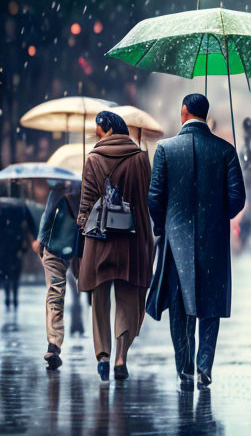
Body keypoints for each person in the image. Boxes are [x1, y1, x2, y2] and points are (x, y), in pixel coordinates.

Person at [146, 94, 246, 390]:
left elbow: (154, 197)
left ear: (184, 112)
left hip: (176, 242)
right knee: (210, 305)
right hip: (213, 239)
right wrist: (217, 216)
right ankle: (205, 364)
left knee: (179, 306)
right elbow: (237, 199)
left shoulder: (165, 149)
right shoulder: (226, 151)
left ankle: (185, 365)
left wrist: (163, 226)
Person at [77, 110, 153, 381]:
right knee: (128, 299)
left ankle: (103, 356)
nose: (94, 131)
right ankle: (122, 356)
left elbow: (86, 201)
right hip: (131, 238)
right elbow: (146, 198)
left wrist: (81, 225)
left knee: (99, 299)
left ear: (106, 127)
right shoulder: (140, 157)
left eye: (97, 126)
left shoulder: (93, 158)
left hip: (100, 238)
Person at [35, 179, 83, 370]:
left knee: (55, 293)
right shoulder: (92, 184)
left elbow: (48, 216)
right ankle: (104, 352)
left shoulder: (58, 187)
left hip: (56, 246)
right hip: (82, 247)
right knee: (92, 291)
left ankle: (54, 345)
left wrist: (42, 242)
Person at [0, 199, 37, 310]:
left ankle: (8, 297)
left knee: (7, 271)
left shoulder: (3, 207)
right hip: (16, 243)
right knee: (15, 271)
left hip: (5, 245)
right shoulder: (21, 207)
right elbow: (30, 224)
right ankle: (14, 297)